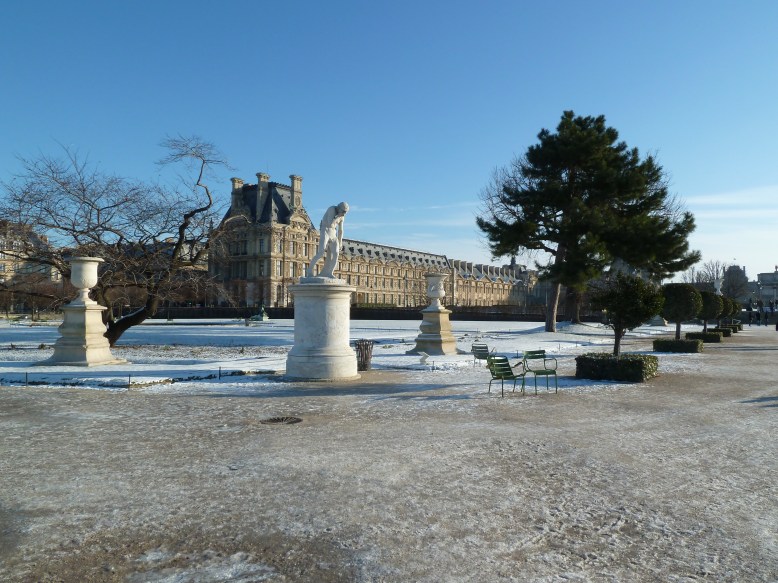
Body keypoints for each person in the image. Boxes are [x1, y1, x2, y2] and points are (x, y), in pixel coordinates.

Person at [306, 202, 349, 278]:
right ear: (339, 208)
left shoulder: (342, 216)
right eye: (343, 212)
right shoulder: (332, 209)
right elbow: (330, 223)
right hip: (325, 230)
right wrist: (337, 217)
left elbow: (340, 230)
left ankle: (329, 273)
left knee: (336, 254)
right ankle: (309, 270)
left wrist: (340, 242)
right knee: (321, 253)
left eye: (345, 212)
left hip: (333, 233)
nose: (344, 214)